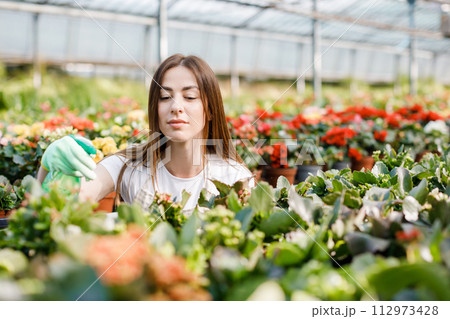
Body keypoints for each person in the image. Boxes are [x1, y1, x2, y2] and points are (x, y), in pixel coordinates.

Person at [37, 54, 255, 213]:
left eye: (189, 97)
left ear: (210, 110)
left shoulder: (234, 177)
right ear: (155, 108)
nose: (176, 106)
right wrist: (47, 168)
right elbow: (60, 209)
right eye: (164, 97)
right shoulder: (128, 165)